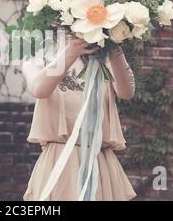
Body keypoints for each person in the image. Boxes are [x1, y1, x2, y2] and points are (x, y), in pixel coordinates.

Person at [21, 34, 137, 201]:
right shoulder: (38, 57)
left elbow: (126, 92)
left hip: (99, 163)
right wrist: (71, 51)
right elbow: (39, 89)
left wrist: (114, 44)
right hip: (59, 163)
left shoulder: (103, 59)